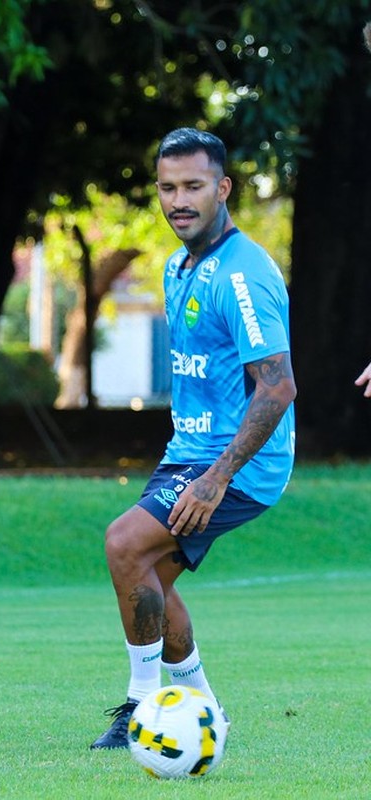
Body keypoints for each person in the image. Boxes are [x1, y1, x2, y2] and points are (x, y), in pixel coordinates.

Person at [90, 128, 296, 749]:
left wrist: (216, 478)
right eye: (168, 188)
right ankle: (205, 709)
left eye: (193, 186)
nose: (179, 201)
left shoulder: (242, 275)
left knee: (124, 544)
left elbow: (278, 387)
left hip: (238, 466)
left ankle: (140, 706)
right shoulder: (179, 266)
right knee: (149, 577)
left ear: (223, 188)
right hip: (188, 455)